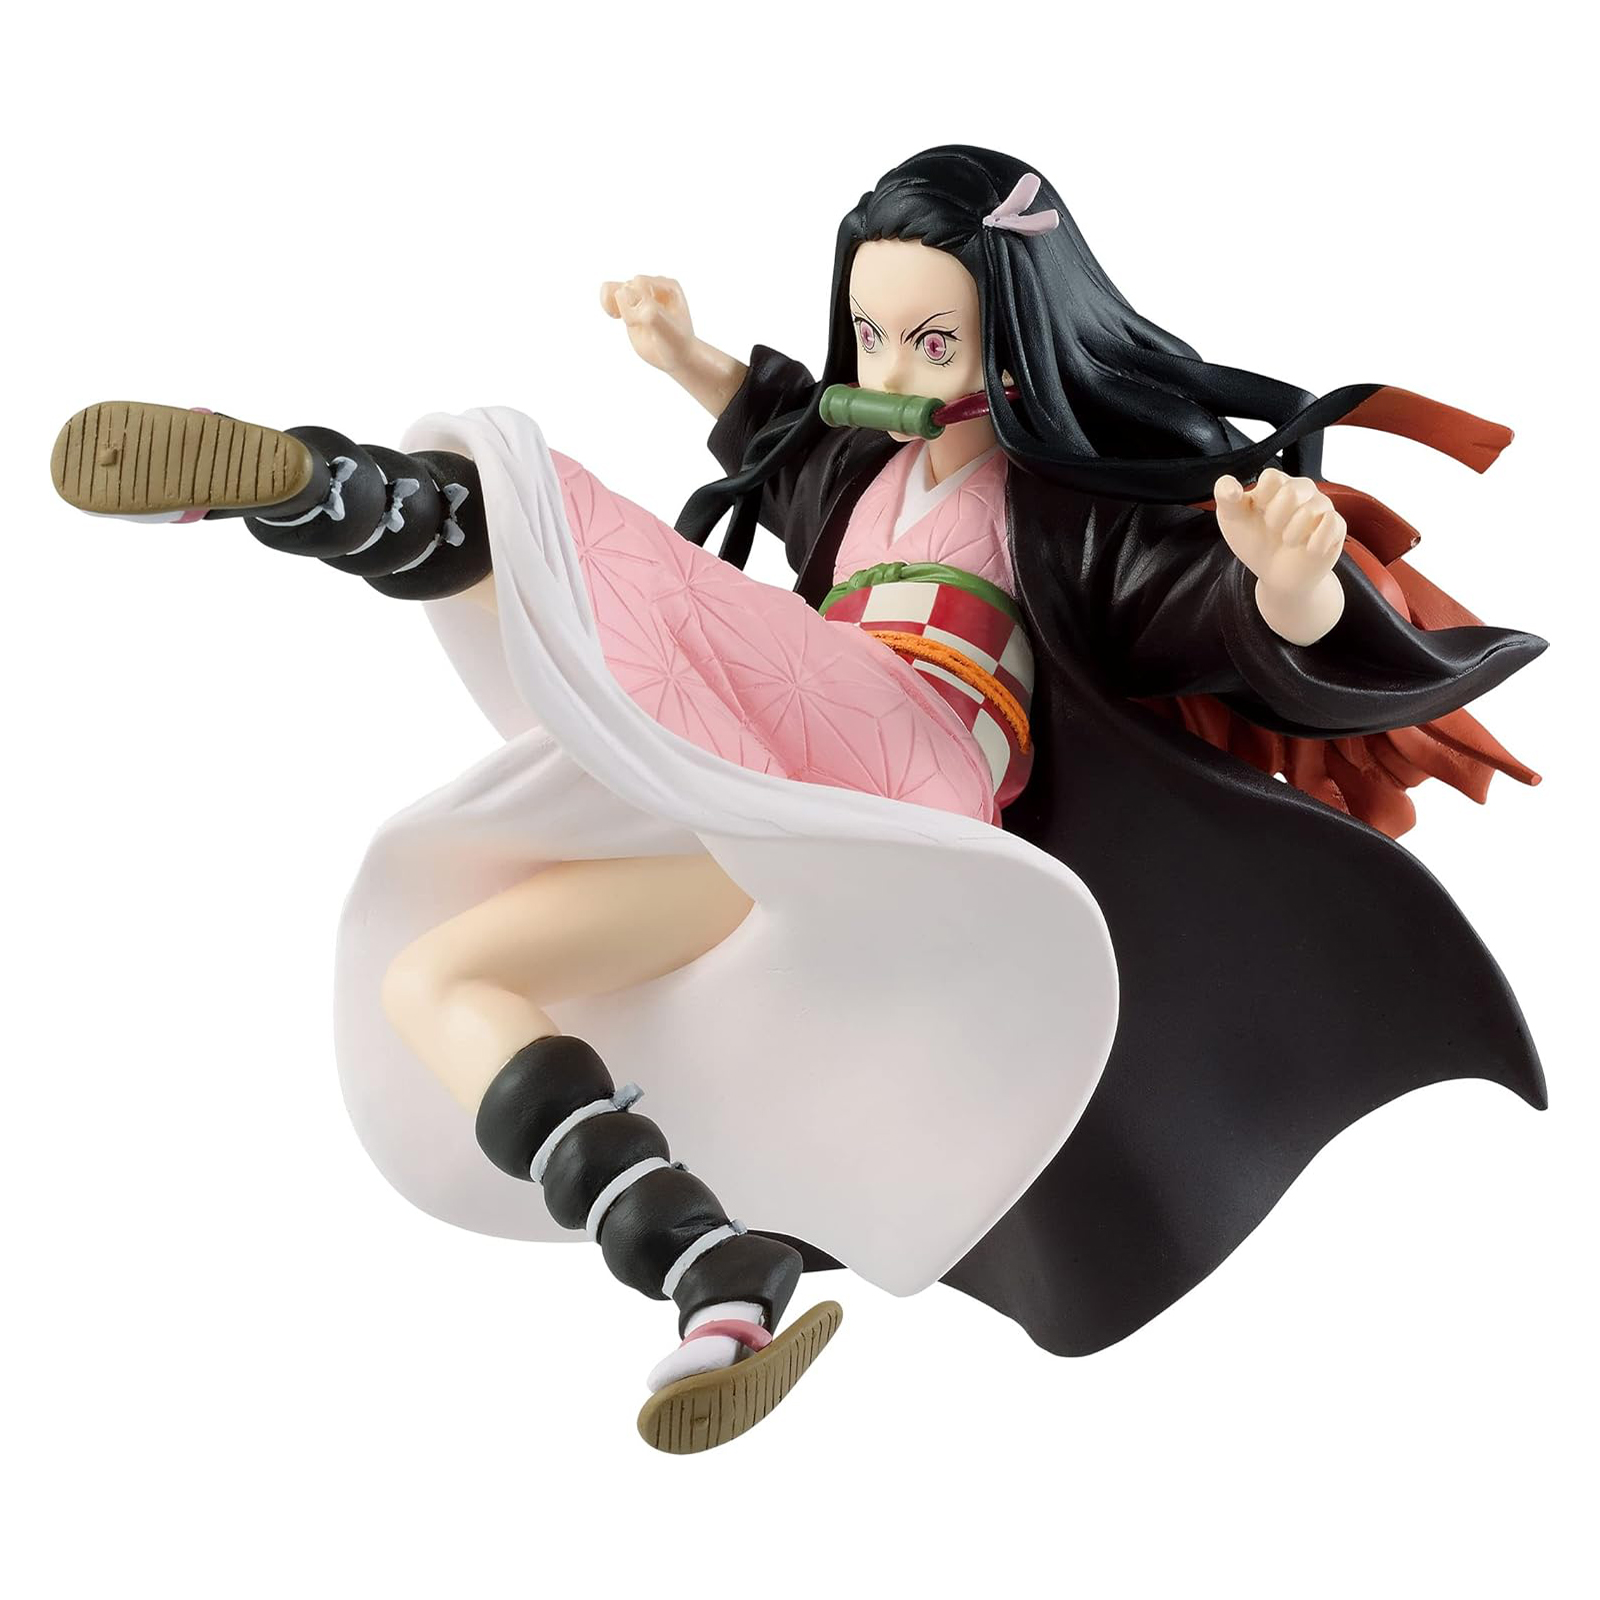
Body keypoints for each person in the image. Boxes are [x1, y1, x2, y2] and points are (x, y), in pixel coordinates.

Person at [50, 145, 1545, 1454]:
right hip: (796, 814)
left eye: (934, 340)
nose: (895, 369)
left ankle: (332, 496)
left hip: (916, 761)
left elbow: (1217, 621)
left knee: (609, 561)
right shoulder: (856, 468)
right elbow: (780, 441)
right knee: (441, 972)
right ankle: (708, 1275)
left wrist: (1290, 582)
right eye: (872, 334)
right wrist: (689, 357)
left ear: (1017, 341)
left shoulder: (1071, 509)